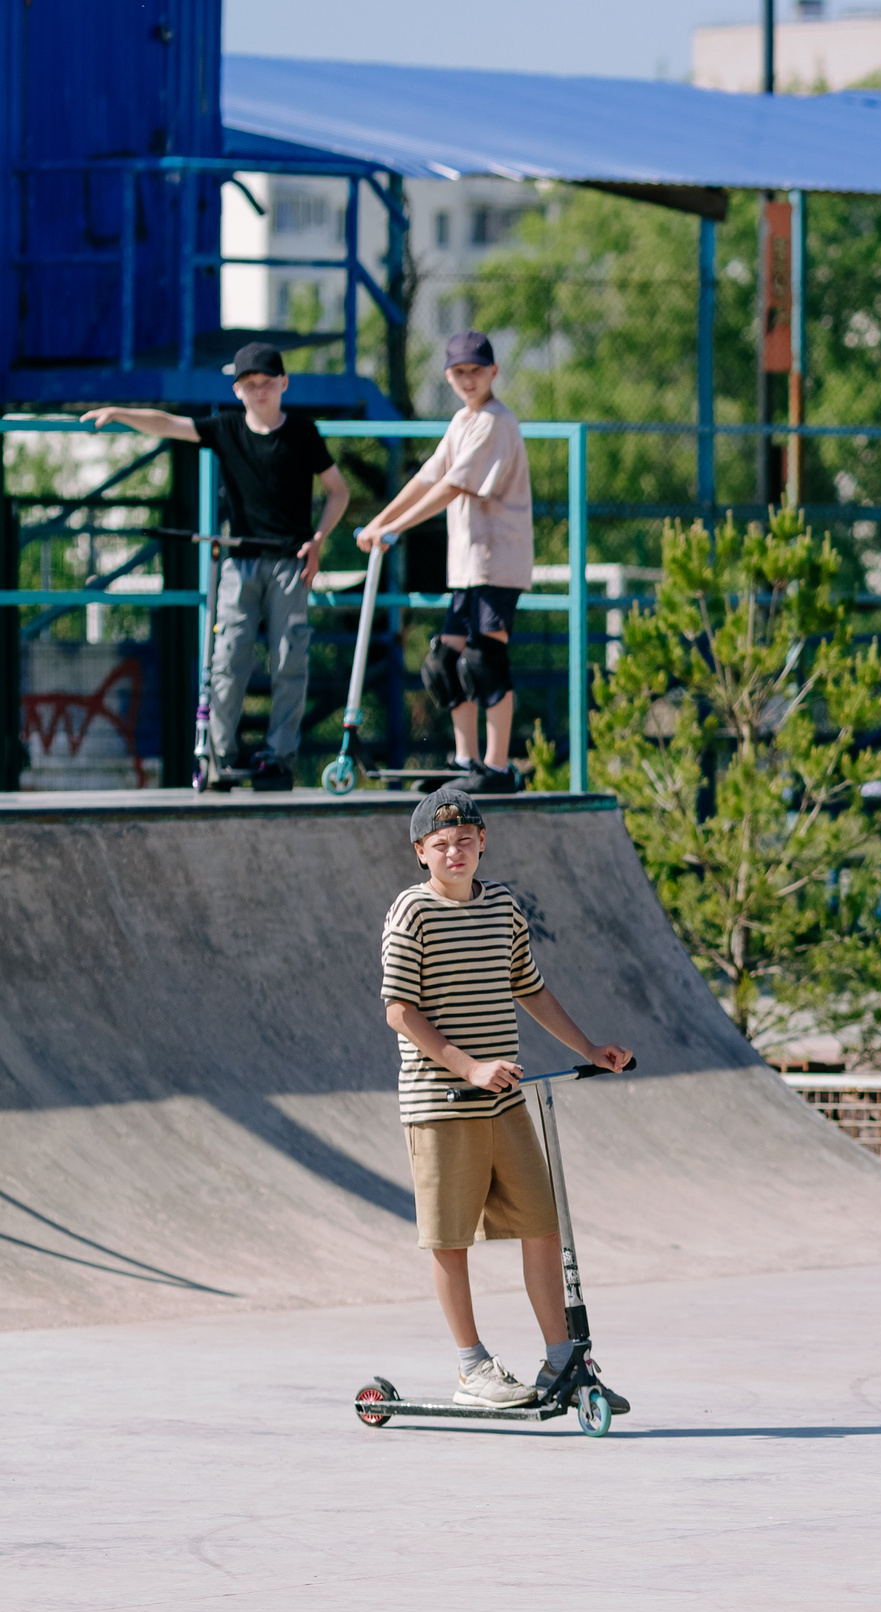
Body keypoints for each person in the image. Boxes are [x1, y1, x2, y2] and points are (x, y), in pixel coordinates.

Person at [383, 787, 633, 1409]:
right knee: (450, 1241)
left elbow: (532, 989)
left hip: (505, 1103)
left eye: (466, 841)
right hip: (442, 1106)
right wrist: (468, 1067)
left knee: (542, 1227)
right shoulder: (410, 913)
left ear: (483, 842)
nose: (455, 852)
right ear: (421, 852)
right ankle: (472, 1368)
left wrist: (587, 1047)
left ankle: (560, 1363)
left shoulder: (502, 908)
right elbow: (399, 1011)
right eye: (441, 845)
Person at [82, 342, 349, 790]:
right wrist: (121, 412)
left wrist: (318, 540)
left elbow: (337, 491)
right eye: (250, 386)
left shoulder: (303, 434)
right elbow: (169, 424)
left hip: (290, 565)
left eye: (267, 384)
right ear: (237, 390)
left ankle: (279, 757)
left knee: (290, 659)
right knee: (228, 659)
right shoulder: (225, 428)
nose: (259, 393)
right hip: (239, 564)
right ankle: (220, 757)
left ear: (283, 384)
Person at [358, 331, 535, 795]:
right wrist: (379, 521)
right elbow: (427, 477)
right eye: (459, 373)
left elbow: (455, 486)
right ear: (448, 376)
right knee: (443, 662)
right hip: (468, 566)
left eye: (476, 371)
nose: (468, 380)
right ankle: (466, 760)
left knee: (485, 659)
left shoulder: (496, 422)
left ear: (493, 373)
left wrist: (397, 529)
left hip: (498, 561)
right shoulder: (462, 421)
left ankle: (496, 768)